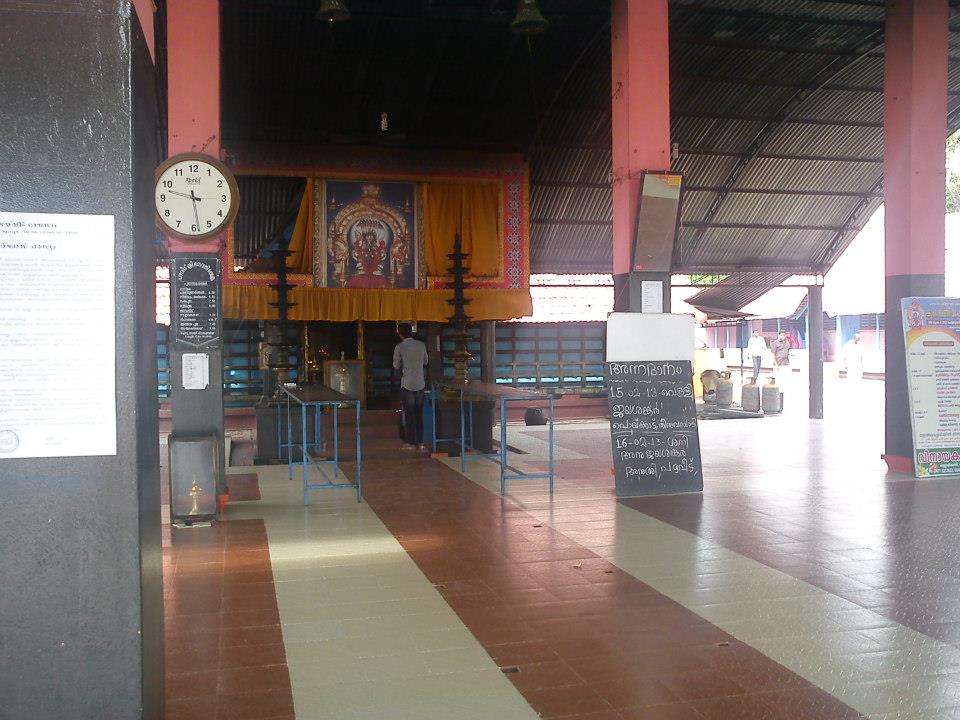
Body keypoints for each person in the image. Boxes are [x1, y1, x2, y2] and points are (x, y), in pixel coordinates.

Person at [393, 322, 429, 452]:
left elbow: (396, 365)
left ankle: (410, 443)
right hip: (420, 383)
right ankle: (421, 443)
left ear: (400, 333)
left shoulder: (399, 347)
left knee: (409, 414)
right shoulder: (421, 345)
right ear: (412, 332)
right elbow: (426, 361)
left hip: (407, 383)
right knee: (419, 414)